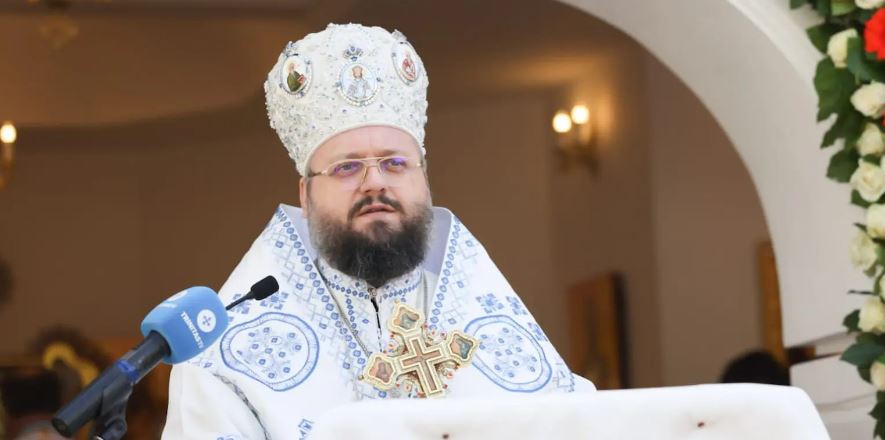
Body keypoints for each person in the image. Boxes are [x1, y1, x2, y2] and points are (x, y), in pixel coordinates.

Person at [163, 23, 593, 440]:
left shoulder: (481, 312)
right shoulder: (225, 354)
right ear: (306, 196)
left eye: (395, 163)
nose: (374, 182)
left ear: (424, 182)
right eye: (346, 167)